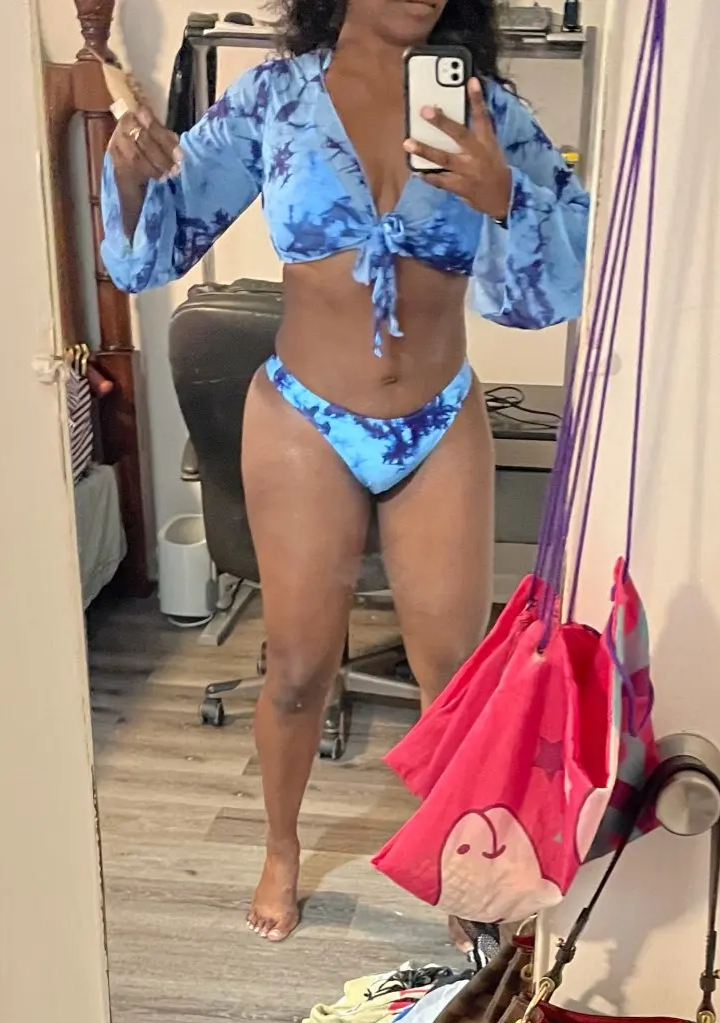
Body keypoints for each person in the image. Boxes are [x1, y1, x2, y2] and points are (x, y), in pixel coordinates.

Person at [102, 0, 588, 941]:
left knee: (454, 676)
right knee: (295, 668)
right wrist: (128, 170)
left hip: (439, 419)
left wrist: (504, 199)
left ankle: (460, 862)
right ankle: (281, 847)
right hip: (305, 417)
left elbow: (553, 288)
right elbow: (156, 241)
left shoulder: (486, 112)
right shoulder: (273, 100)